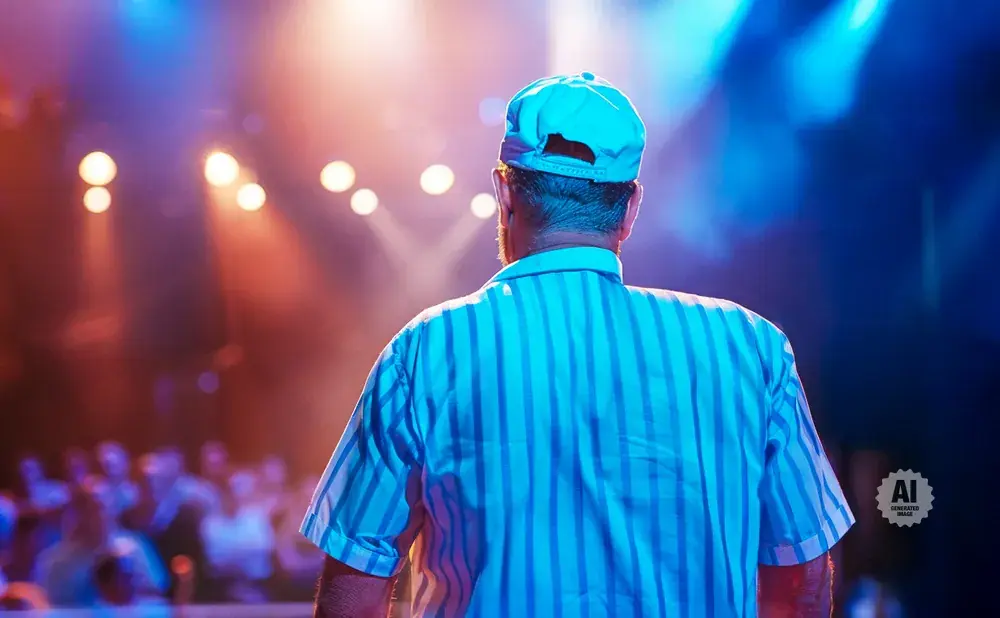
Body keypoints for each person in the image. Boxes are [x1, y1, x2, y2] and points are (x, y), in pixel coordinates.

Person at [301, 72, 854, 617]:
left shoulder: (426, 350)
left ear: (504, 192)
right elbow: (801, 581)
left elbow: (355, 585)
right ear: (630, 207)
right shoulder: (752, 348)